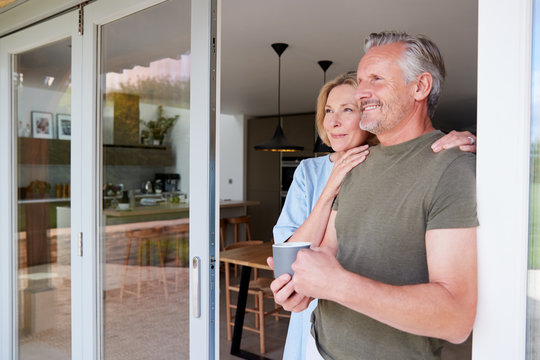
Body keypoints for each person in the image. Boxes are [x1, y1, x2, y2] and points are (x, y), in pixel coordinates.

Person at [272, 66, 477, 358]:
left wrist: (476, 147)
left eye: (347, 109)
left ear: (367, 113)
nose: (335, 121)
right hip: (318, 323)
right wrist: (331, 188)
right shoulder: (310, 171)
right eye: (329, 111)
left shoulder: (406, 165)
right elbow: (289, 258)